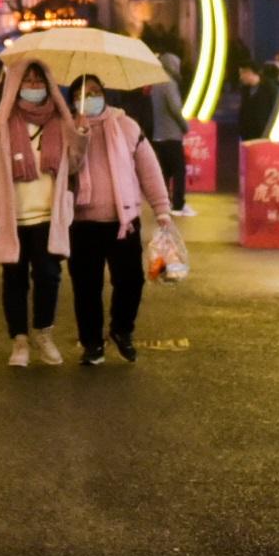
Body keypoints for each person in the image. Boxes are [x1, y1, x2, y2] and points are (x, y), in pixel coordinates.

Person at [63, 71, 178, 367]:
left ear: (104, 93)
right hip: (82, 222)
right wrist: (79, 139)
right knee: (86, 287)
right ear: (72, 101)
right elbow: (65, 171)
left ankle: (121, 330)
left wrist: (162, 209)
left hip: (123, 221)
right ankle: (92, 344)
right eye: (80, 95)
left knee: (131, 281)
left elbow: (149, 169)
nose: (88, 98)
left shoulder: (126, 126)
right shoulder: (66, 129)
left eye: (94, 91)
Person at [0, 59, 72, 369]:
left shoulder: (63, 121)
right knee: (14, 278)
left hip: (48, 215)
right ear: (14, 84)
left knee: (49, 276)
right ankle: (19, 339)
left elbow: (77, 166)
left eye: (39, 80)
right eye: (26, 80)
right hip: (11, 216)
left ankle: (44, 333)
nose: (33, 86)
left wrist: (81, 135)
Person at [148, 51, 192, 216]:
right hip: (171, 133)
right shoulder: (169, 82)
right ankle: (179, 205)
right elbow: (175, 108)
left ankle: (165, 203)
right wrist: (185, 126)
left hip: (158, 133)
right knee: (179, 170)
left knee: (165, 171)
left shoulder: (157, 82)